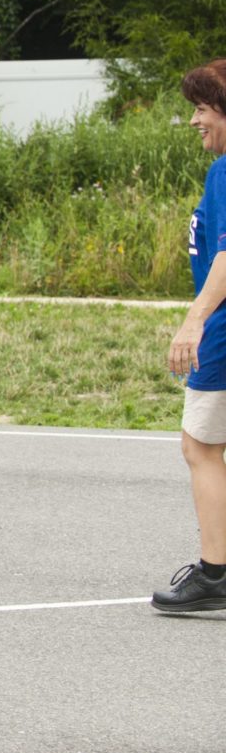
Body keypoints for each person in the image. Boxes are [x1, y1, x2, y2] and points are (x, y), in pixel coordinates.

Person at [154, 59, 226, 613]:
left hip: (222, 329)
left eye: (202, 109)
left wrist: (195, 318)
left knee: (199, 446)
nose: (195, 120)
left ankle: (216, 573)